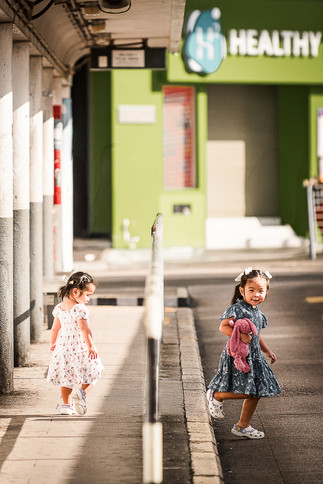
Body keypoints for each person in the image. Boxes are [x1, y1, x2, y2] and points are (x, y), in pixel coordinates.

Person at [207, 268, 281, 439]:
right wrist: (240, 335)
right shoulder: (238, 309)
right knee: (248, 391)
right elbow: (223, 326)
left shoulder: (258, 313)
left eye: (261, 291)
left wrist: (267, 350)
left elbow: (257, 336)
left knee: (258, 391)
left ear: (266, 291)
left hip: (255, 357)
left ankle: (242, 426)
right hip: (238, 356)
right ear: (242, 291)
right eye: (252, 290)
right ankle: (216, 394)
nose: (256, 294)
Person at [47, 271, 104, 415]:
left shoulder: (59, 308)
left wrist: (53, 344)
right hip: (79, 347)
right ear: (75, 291)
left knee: (66, 378)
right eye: (87, 295)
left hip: (63, 348)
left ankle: (66, 406)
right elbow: (84, 329)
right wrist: (91, 346)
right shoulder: (80, 309)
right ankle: (82, 393)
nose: (88, 300)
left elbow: (54, 329)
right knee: (95, 371)